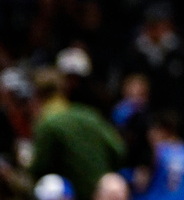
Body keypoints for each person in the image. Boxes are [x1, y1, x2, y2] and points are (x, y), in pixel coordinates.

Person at [28, 69, 126, 200]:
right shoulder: (88, 114)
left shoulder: (47, 123)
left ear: (36, 97)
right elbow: (119, 149)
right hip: (103, 191)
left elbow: (38, 169)